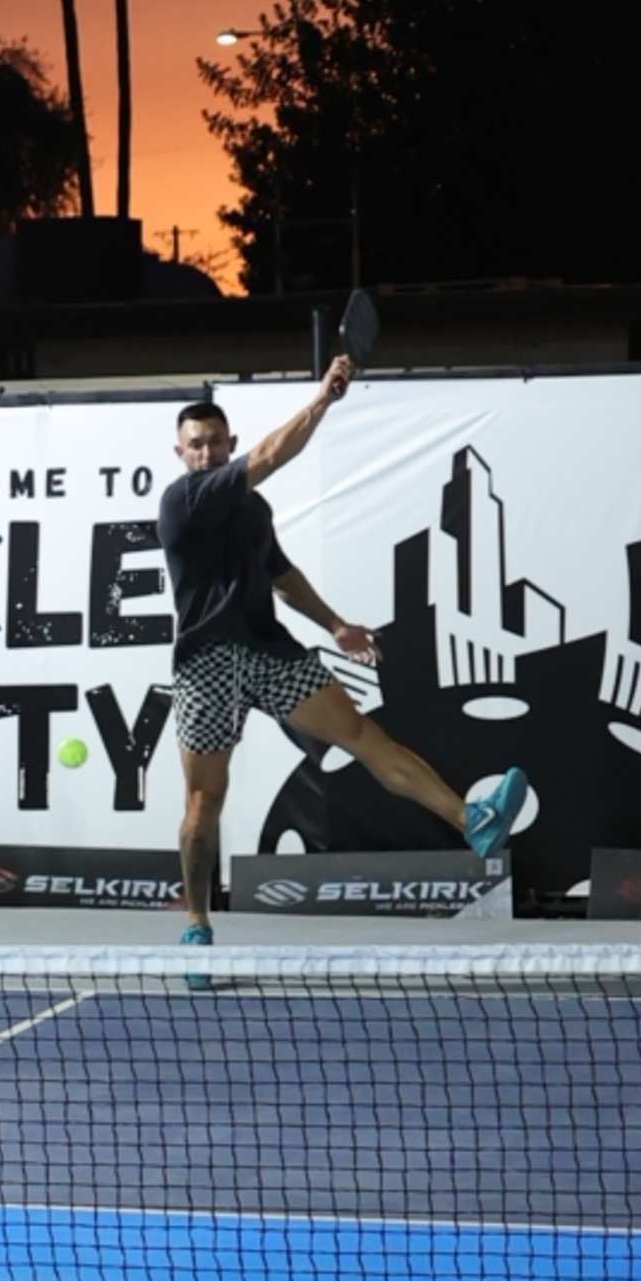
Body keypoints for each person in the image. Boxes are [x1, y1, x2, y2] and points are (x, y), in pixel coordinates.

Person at [159, 363, 526, 941]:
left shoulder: (252, 511)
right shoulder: (185, 501)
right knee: (206, 798)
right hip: (207, 660)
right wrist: (323, 401)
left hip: (268, 653)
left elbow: (280, 576)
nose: (206, 453)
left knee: (362, 735)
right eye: (194, 446)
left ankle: (472, 820)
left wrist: (334, 625)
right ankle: (198, 923)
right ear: (180, 454)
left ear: (227, 443)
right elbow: (273, 455)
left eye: (214, 443)